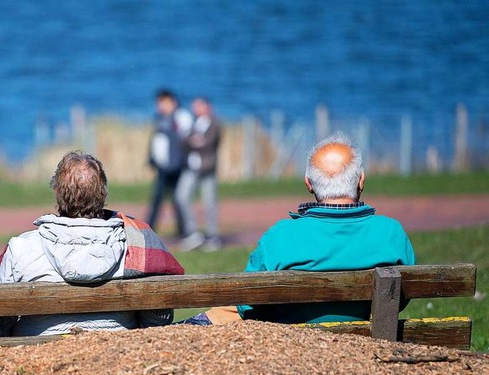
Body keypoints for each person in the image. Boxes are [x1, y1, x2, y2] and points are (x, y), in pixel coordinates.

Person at [180, 132, 415, 326]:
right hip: (366, 343)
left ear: (308, 183)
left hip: (293, 346)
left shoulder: (281, 236)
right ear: (361, 180)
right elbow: (401, 297)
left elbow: (247, 303)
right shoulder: (391, 233)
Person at [0, 151, 184, 338]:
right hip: (117, 355)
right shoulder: (138, 243)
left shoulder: (21, 248)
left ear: (57, 193)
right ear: (103, 194)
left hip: (35, 359)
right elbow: (157, 321)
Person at [176, 97, 223, 251]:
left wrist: (195, 141)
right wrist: (193, 140)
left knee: (209, 202)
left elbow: (208, 142)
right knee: (181, 196)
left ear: (207, 106)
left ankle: (212, 236)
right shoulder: (194, 123)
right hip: (191, 167)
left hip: (207, 168)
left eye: (198, 106)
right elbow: (184, 141)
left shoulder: (215, 123)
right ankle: (193, 233)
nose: (195, 109)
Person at [146, 89, 193, 237]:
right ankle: (149, 230)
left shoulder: (181, 117)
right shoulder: (160, 119)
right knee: (157, 199)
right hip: (163, 167)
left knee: (178, 200)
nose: (161, 106)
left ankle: (183, 231)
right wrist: (152, 159)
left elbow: (186, 139)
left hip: (177, 167)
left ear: (172, 102)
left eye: (164, 102)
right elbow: (156, 142)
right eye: (159, 103)